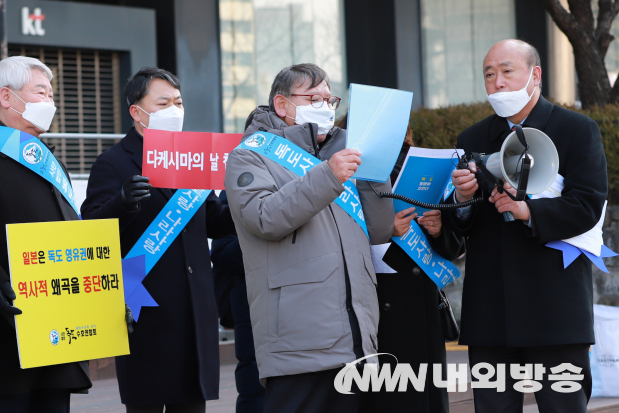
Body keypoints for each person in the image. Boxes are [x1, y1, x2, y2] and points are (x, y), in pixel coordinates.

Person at [444, 39, 608, 412]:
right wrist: (463, 200)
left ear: (535, 76)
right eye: (489, 74)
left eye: (506, 71)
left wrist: (528, 213)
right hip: (490, 307)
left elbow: (587, 205)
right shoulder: (472, 139)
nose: (497, 82)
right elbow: (462, 227)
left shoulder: (577, 129)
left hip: (555, 306)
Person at [223, 63, 394, 413]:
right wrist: (327, 176)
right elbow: (264, 217)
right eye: (313, 97)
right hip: (298, 345)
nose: (325, 106)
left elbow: (378, 231)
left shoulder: (339, 154)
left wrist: (376, 174)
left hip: (356, 336)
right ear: (282, 104)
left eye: (330, 99)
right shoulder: (250, 155)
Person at [81, 67, 235, 413]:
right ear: (137, 111)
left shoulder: (189, 158)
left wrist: (241, 197)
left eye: (178, 102)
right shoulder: (113, 163)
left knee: (192, 404)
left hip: (195, 310)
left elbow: (215, 221)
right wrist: (121, 202)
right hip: (145, 309)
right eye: (163, 103)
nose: (174, 110)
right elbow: (91, 230)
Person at [0, 56, 91, 412]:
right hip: (6, 320)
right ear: (7, 97)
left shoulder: (46, 158)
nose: (50, 102)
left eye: (51, 94)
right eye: (41, 92)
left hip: (58, 320)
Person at [357, 127, 462, 413]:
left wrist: (440, 230)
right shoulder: (349, 168)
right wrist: (383, 228)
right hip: (376, 300)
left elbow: (455, 246)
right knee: (387, 395)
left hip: (422, 301)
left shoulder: (418, 164)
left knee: (426, 395)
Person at [211, 191, 264, 413]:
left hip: (312, 307)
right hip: (253, 305)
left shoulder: (324, 177)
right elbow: (223, 255)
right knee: (255, 389)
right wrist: (267, 238)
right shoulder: (242, 177)